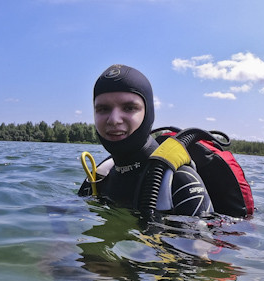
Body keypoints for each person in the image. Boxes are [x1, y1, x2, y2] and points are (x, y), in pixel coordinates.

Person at [78, 64, 213, 216]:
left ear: (148, 113)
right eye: (103, 109)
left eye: (129, 108)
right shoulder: (99, 176)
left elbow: (203, 238)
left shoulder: (178, 181)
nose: (114, 120)